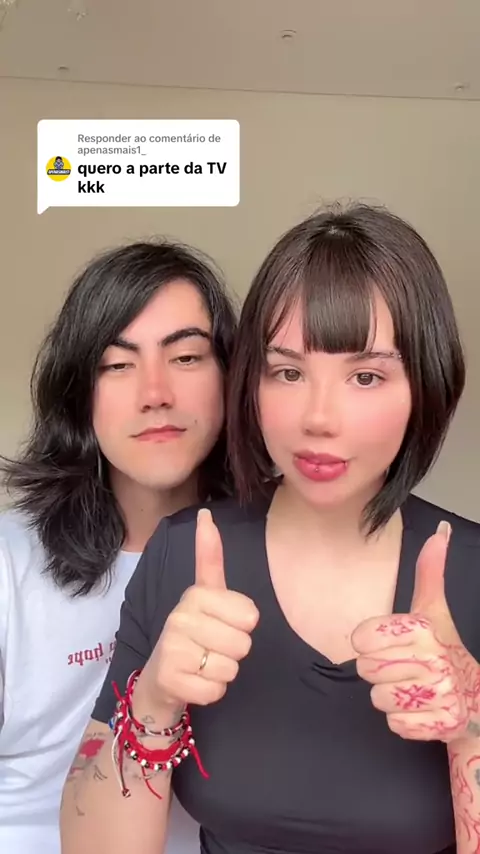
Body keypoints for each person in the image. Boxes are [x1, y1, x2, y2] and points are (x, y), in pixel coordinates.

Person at [60, 204, 480, 854]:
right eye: (287, 372)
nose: (318, 417)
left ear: (426, 386)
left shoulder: (473, 572)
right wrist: (154, 701)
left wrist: (471, 725)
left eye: (365, 376)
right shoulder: (184, 553)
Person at [0, 238, 237, 854]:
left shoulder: (272, 554)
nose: (155, 392)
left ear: (231, 377)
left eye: (186, 357)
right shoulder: (8, 565)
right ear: (79, 391)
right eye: (117, 364)